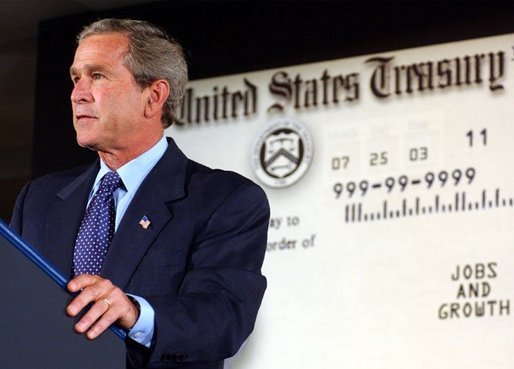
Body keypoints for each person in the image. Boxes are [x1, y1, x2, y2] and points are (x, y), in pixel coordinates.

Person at [10, 18, 269, 369]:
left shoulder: (225, 200)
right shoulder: (39, 199)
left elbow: (223, 318)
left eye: (97, 76)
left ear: (153, 97)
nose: (78, 93)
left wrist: (133, 312)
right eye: (76, 77)